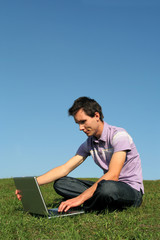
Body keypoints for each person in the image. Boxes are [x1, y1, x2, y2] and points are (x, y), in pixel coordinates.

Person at [16, 96, 144, 213]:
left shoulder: (119, 135)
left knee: (107, 187)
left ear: (96, 116)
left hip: (129, 190)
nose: (80, 128)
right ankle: (102, 204)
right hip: (105, 186)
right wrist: (33, 184)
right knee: (61, 183)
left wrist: (80, 198)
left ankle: (89, 206)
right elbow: (65, 168)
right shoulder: (89, 143)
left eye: (83, 122)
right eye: (78, 123)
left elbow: (113, 175)